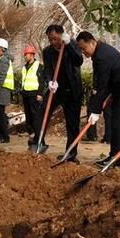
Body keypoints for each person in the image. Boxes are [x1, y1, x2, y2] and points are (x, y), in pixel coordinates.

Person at [76, 31, 120, 169]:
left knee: (118, 123)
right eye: (80, 49)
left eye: (84, 48)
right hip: (116, 89)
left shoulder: (102, 56)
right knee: (114, 122)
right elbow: (100, 83)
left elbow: (102, 87)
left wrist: (96, 110)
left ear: (92, 42)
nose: (83, 52)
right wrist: (95, 108)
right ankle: (113, 156)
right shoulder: (98, 53)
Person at [41, 25, 83, 161]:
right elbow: (47, 69)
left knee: (72, 123)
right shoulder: (47, 51)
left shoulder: (72, 45)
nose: (53, 42)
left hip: (72, 90)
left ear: (62, 36)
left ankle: (71, 153)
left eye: (55, 39)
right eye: (50, 39)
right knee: (41, 113)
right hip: (56, 88)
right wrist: (49, 81)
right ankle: (38, 142)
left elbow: (79, 61)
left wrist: (69, 44)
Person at [20, 44, 44, 150]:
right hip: (26, 94)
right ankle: (32, 135)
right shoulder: (24, 67)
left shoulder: (38, 66)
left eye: (27, 54)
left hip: (34, 95)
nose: (25, 56)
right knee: (28, 118)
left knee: (36, 118)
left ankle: (39, 139)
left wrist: (40, 94)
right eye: (25, 54)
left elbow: (42, 81)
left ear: (32, 55)